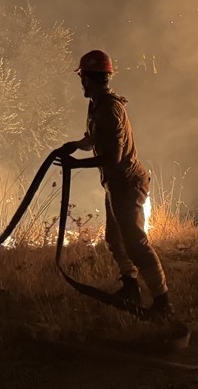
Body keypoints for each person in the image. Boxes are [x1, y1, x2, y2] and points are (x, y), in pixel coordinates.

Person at [57, 50, 173, 318]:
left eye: (82, 78)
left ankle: (163, 302)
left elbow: (112, 157)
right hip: (115, 184)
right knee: (115, 239)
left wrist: (74, 166)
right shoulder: (96, 104)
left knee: (135, 242)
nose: (81, 84)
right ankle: (131, 287)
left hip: (128, 185)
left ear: (89, 78)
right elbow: (92, 139)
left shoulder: (109, 109)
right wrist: (75, 146)